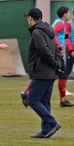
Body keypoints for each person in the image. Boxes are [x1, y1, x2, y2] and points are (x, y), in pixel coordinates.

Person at [24, 7, 62, 138]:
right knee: (45, 102)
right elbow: (57, 49)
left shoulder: (37, 33)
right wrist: (57, 65)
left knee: (32, 100)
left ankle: (52, 123)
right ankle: (45, 130)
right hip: (50, 71)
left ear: (30, 18)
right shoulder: (49, 31)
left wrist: (54, 64)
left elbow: (43, 51)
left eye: (27, 18)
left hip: (42, 71)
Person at [51, 6, 74, 107]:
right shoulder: (60, 24)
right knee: (62, 75)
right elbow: (52, 34)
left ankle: (63, 99)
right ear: (64, 14)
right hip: (56, 52)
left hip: (55, 51)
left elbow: (58, 35)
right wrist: (59, 48)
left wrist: (66, 36)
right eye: (68, 13)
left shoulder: (59, 22)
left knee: (60, 75)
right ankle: (63, 100)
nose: (69, 15)